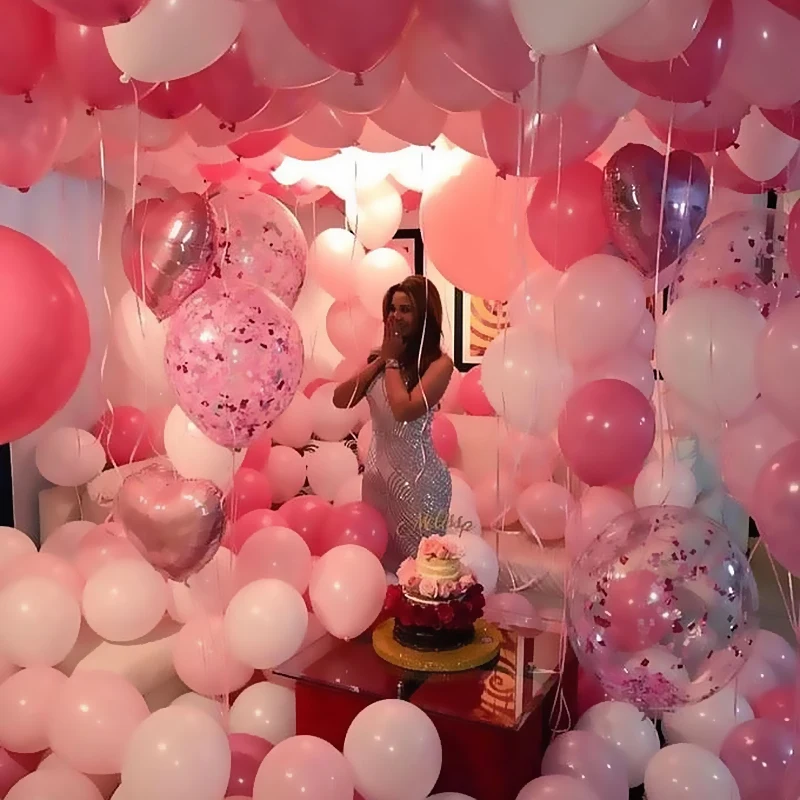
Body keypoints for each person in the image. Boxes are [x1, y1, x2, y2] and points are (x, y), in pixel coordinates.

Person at [333, 275, 454, 570]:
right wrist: (381, 360)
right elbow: (340, 399)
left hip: (420, 484)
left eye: (405, 309)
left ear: (424, 315)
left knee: (421, 570)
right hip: (376, 481)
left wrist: (392, 362)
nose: (395, 316)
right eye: (392, 308)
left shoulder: (440, 364)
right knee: (378, 565)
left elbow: (403, 409)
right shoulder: (380, 360)